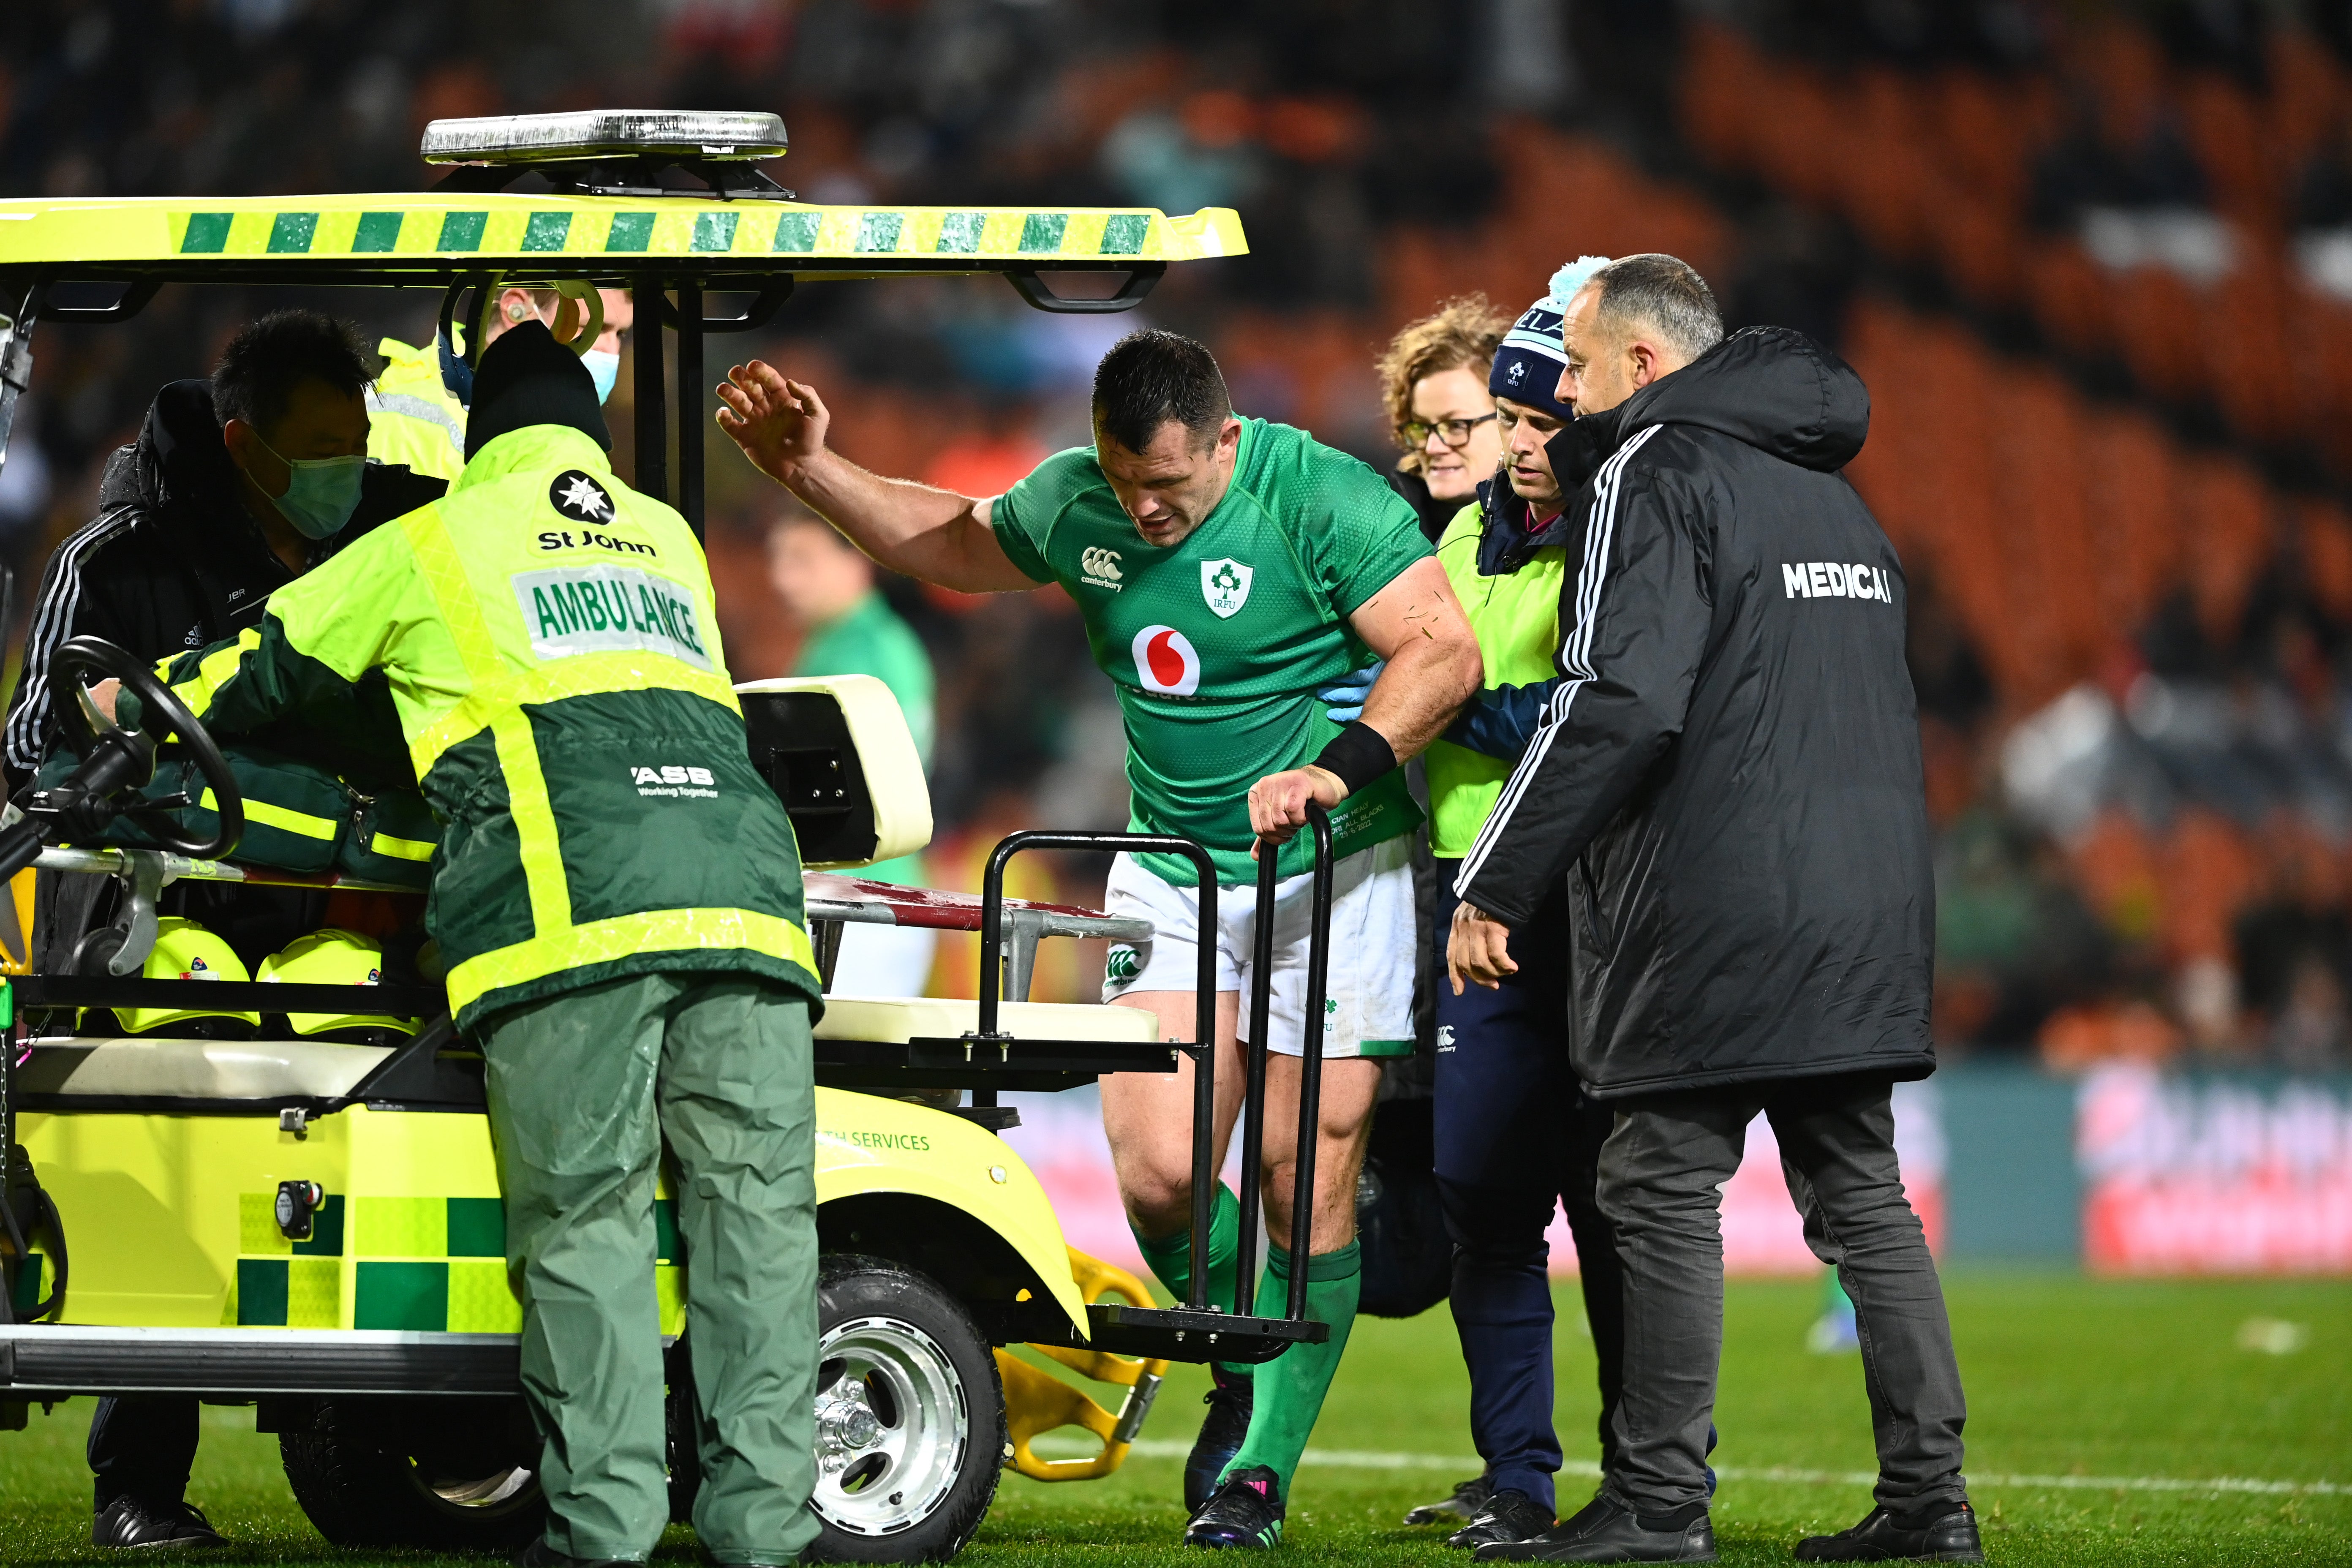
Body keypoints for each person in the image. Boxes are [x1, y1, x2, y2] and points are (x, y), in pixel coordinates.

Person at [713, 328, 1483, 1550]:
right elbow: (956, 540)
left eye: (1169, 489)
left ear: (1227, 444)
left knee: (1300, 1171)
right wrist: (814, 469)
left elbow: (1444, 649)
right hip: (1176, 868)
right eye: (1127, 485)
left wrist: (1338, 772)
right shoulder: (1082, 502)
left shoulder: (1319, 497)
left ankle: (1260, 1472)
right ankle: (1249, 1353)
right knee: (1161, 1173)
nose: (1145, 511)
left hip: (1338, 867)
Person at [135, 321, 825, 1568]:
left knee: (589, 1227)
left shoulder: (434, 537)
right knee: (759, 1226)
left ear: (477, 432)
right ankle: (763, 1533)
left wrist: (115, 704)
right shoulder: (668, 537)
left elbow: (258, 664)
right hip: (748, 903)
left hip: (573, 909)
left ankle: (604, 1532)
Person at [1448, 256, 1979, 1565]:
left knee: (1655, 1176)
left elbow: (1615, 698)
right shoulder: (1830, 490)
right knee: (1861, 1193)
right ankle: (1928, 1505)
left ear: (1640, 364)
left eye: (1573, 367)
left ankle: (1655, 1501)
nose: (1559, 395)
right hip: (1866, 895)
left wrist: (1495, 875)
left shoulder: (1651, 469)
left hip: (1716, 895)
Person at [0, 310, 443, 1552]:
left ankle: (384, 1413)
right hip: (165, 909)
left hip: (339, 914)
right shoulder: (116, 563)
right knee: (183, 1065)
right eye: (321, 443)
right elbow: (34, 749)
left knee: (365, 1043)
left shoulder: (395, 544)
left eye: (357, 438)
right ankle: (139, 1476)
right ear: (245, 443)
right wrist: (146, 761)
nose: (347, 464)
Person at [1379, 261, 1637, 1554]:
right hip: (1458, 891)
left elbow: (1596, 712)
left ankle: (1645, 1484)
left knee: (1606, 1202)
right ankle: (1517, 1476)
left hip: (1584, 903)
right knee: (1484, 1195)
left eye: (1541, 425)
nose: (1526, 450)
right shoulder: (1463, 535)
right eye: (1514, 427)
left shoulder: (1619, 540)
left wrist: (1464, 709)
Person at [768, 502, 939, 994]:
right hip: (845, 896)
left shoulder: (873, 650)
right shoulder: (831, 645)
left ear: (856, 560)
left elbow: (890, 776)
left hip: (867, 899)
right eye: (777, 559)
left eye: (802, 559)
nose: (784, 578)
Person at [368, 286, 634, 482]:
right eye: (589, 328)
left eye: (621, 334)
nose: (611, 350)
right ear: (516, 310)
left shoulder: (559, 423)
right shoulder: (408, 426)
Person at [1374, 296, 1509, 540]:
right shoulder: (1383, 536)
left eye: (1456, 425)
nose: (1432, 447)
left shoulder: (1564, 529)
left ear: (1509, 419)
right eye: (1422, 427)